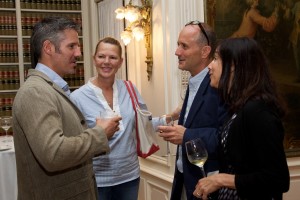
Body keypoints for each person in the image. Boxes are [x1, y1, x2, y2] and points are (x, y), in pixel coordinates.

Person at [12, 17, 122, 200]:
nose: (78, 53)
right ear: (48, 48)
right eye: (71, 46)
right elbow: (54, 153)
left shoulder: (51, 88)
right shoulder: (36, 92)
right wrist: (100, 134)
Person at [70, 36, 181, 200]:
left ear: (120, 62)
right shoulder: (77, 97)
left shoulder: (130, 89)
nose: (106, 62)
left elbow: (144, 124)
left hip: (129, 177)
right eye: (101, 56)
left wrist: (171, 116)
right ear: (94, 59)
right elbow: (75, 141)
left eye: (113, 57)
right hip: (96, 179)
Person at [193, 37, 290, 200]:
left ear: (233, 66)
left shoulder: (258, 111)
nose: (210, 65)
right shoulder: (238, 108)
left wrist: (221, 180)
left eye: (216, 59)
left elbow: (277, 179)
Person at [157, 21, 228, 200]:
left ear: (205, 52)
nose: (177, 52)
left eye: (184, 46)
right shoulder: (195, 81)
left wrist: (186, 135)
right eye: (178, 45)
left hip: (208, 186)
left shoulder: (219, 85)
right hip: (186, 180)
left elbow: (225, 138)